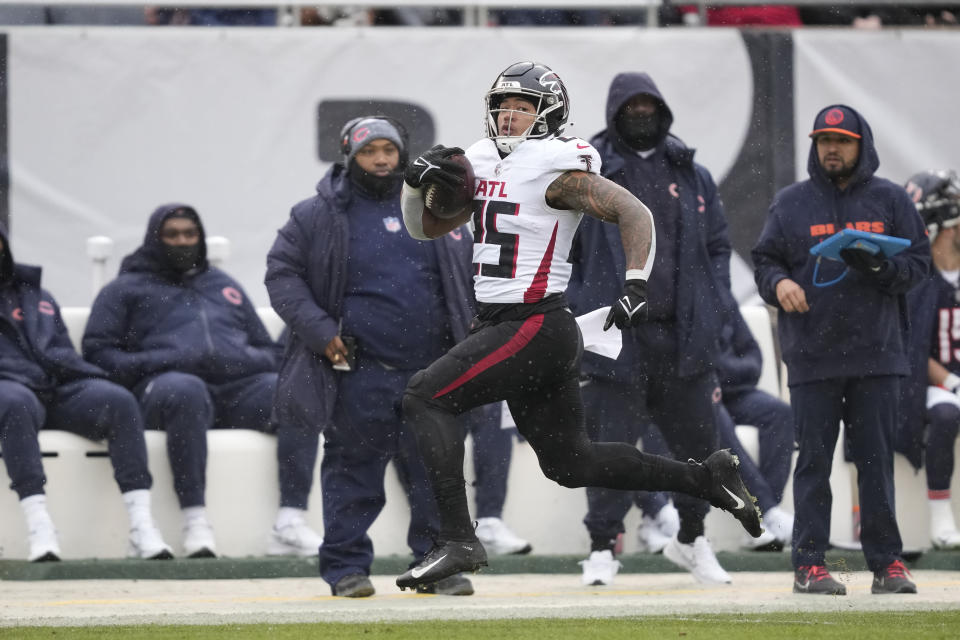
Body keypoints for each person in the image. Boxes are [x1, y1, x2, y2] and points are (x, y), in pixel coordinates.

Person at [395, 60, 762, 592]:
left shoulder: (557, 165)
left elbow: (634, 212)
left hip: (535, 322)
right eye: (503, 106)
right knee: (572, 462)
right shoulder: (477, 160)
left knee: (424, 397)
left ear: (549, 114)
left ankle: (457, 536)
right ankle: (704, 478)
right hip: (514, 325)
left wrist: (636, 282)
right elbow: (425, 228)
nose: (509, 116)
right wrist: (414, 186)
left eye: (522, 106)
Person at [265, 116, 481, 598]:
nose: (382, 160)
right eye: (370, 151)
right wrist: (321, 332)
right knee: (353, 472)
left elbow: (470, 275)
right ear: (350, 155)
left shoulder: (435, 208)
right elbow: (282, 274)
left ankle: (437, 567)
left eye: (389, 149)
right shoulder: (315, 215)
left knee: (437, 473)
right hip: (361, 371)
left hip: (433, 370)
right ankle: (345, 570)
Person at [567, 71, 741, 585]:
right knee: (608, 449)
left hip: (682, 336)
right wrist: (585, 307)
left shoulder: (691, 172)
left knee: (697, 446)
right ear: (614, 112)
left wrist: (716, 304)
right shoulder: (589, 171)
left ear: (663, 110)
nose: (641, 113)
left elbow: (718, 245)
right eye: (630, 106)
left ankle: (692, 539)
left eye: (649, 105)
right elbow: (568, 252)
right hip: (615, 338)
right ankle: (602, 547)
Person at [752, 104, 929, 595]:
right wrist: (779, 282)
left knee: (875, 463)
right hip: (812, 356)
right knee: (813, 462)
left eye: (842, 140)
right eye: (823, 139)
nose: (831, 148)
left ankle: (887, 565)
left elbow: (918, 267)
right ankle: (809, 565)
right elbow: (763, 261)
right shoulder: (790, 203)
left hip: (878, 355)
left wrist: (878, 268)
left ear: (861, 145)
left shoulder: (892, 200)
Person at [83, 205, 322, 560]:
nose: (183, 242)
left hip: (233, 390)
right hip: (163, 390)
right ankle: (194, 520)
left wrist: (231, 359)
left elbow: (268, 351)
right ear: (155, 239)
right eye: (173, 235)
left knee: (293, 392)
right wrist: (166, 360)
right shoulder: (125, 289)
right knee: (186, 390)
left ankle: (289, 522)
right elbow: (98, 354)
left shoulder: (222, 285)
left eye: (190, 234)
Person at [0, 224, 172, 561]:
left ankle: (141, 525)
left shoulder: (37, 294)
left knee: (118, 400)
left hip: (56, 385)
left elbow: (60, 350)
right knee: (14, 402)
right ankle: (40, 525)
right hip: (11, 389)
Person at [899, 169, 960, 550]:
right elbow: (911, 348)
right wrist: (953, 383)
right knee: (946, 415)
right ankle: (941, 512)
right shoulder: (919, 280)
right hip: (935, 387)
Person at [713, 308, 795, 552]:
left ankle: (769, 517)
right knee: (716, 419)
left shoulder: (724, 299)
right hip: (699, 393)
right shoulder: (685, 297)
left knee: (781, 414)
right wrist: (721, 372)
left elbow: (754, 356)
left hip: (736, 391)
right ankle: (763, 513)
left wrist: (724, 371)